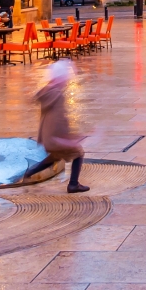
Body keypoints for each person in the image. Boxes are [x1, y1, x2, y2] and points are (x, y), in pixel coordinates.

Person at [24, 60, 88, 193]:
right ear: (61, 78)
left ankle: (29, 173)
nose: (67, 82)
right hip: (55, 138)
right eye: (66, 79)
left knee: (55, 157)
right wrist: (67, 138)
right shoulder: (57, 95)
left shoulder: (47, 91)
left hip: (47, 137)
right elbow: (59, 120)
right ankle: (73, 184)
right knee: (78, 152)